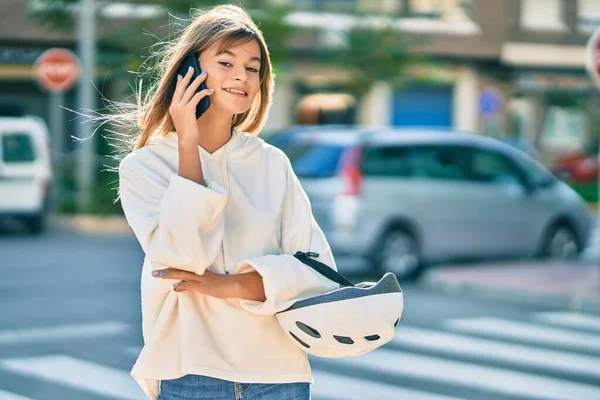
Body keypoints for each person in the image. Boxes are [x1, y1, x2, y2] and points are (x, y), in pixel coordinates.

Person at [117, 4, 339, 400]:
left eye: (253, 67)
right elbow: (181, 259)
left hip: (279, 373)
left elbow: (319, 271)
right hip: (190, 371)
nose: (242, 75)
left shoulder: (271, 163)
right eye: (226, 61)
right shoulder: (145, 167)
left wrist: (228, 285)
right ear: (190, 71)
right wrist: (188, 143)